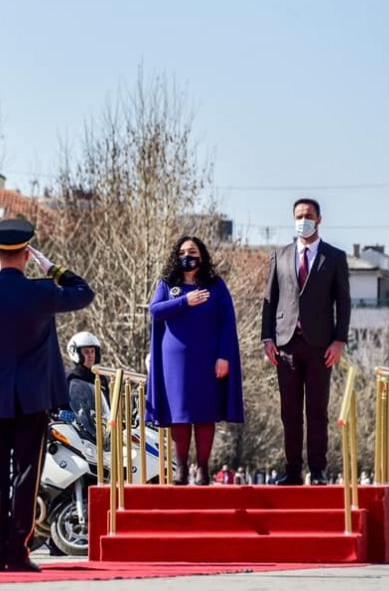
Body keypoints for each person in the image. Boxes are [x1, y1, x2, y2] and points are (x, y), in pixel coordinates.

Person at [0, 218, 94, 573]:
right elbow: (84, 292)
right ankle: (18, 551)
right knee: (26, 477)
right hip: (32, 400)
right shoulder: (44, 291)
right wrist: (53, 267)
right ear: (27, 256)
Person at [261, 198, 351, 486]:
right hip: (286, 344)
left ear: (319, 219)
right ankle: (292, 470)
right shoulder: (281, 255)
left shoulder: (334, 257)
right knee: (289, 412)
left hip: (320, 346)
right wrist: (267, 338)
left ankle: (319, 470)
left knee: (316, 411)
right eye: (299, 215)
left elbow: (344, 303)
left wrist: (339, 341)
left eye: (308, 215)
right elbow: (269, 300)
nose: (303, 220)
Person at [146, 236, 244, 486]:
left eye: (192, 252)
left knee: (204, 412)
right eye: (182, 252)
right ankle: (180, 469)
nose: (187, 256)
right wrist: (184, 302)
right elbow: (155, 310)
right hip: (174, 361)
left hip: (208, 359)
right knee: (179, 414)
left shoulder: (216, 285)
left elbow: (227, 323)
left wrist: (224, 356)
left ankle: (202, 469)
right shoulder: (168, 284)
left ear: (202, 256)